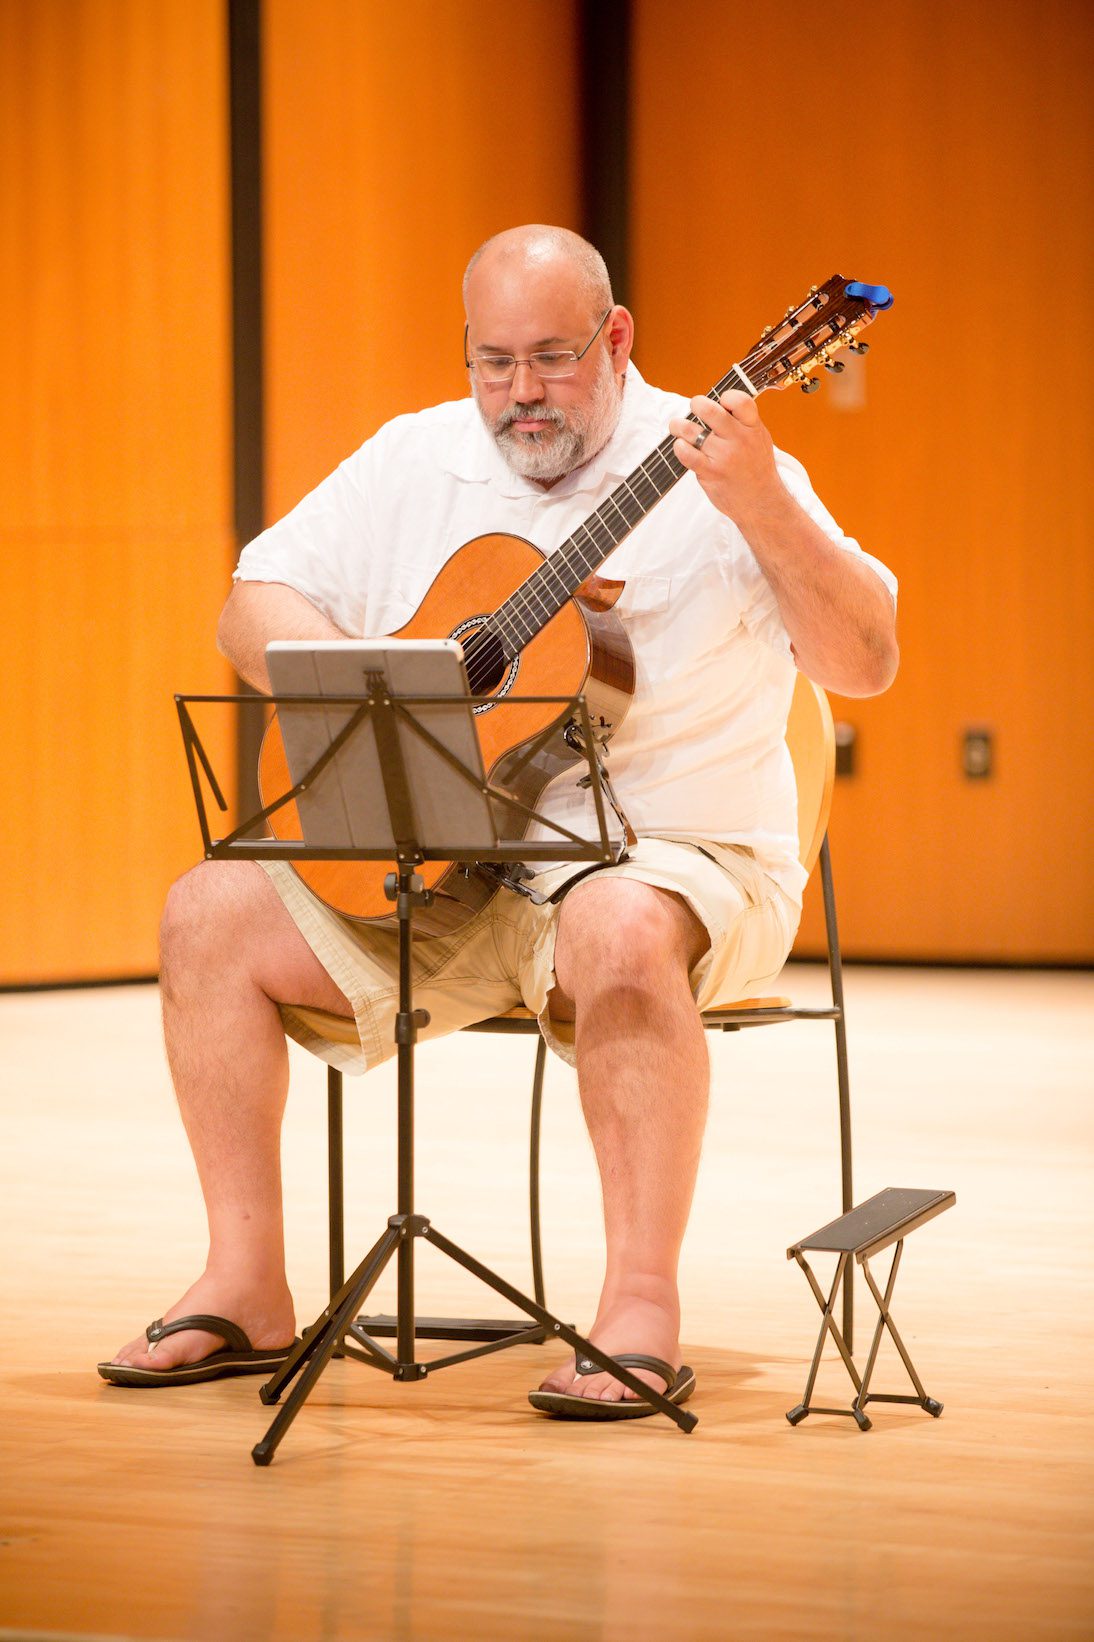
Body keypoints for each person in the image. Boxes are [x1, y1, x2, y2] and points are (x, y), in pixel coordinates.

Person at [100, 225, 898, 1417]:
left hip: (671, 860)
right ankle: (247, 1281)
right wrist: (400, 686)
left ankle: (637, 1307)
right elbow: (247, 607)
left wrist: (768, 506)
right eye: (491, 361)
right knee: (208, 908)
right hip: (452, 867)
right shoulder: (415, 458)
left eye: (551, 357)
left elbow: (866, 660)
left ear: (614, 338)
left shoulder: (721, 462)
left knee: (615, 923)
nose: (519, 392)